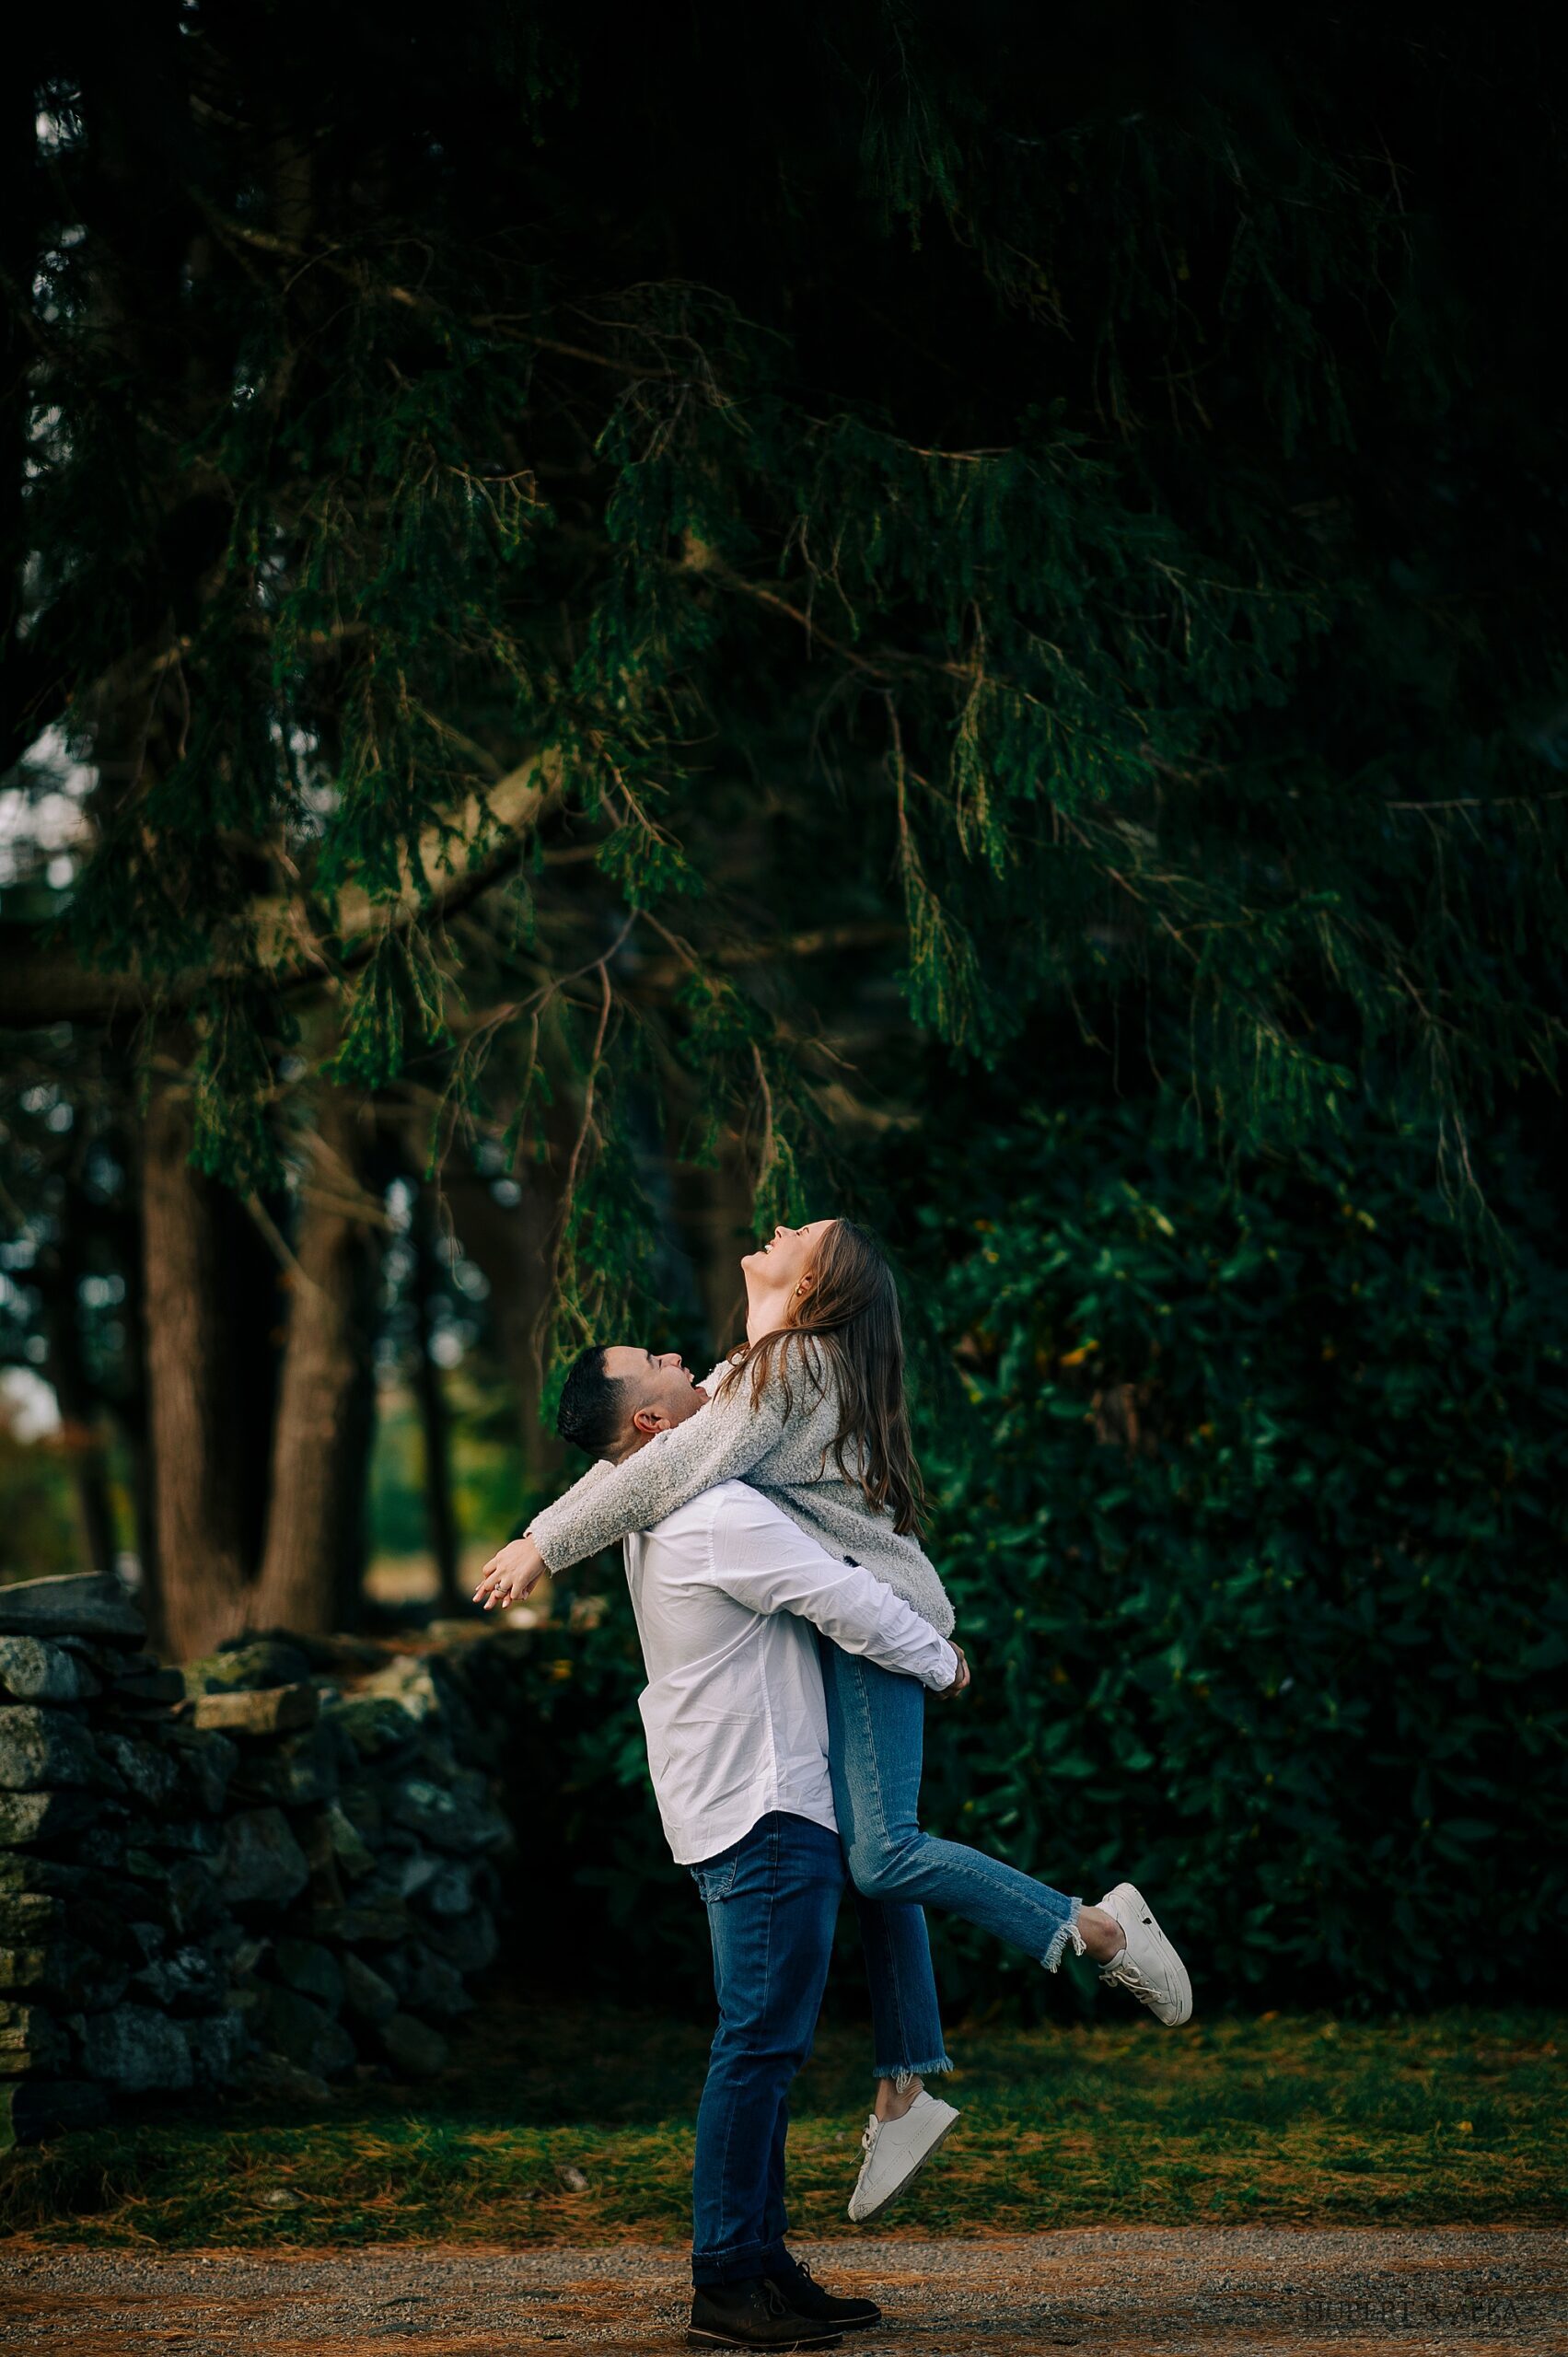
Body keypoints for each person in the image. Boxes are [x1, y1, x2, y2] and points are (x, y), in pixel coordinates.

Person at [475, 1219, 1191, 2220]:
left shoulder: (795, 1364)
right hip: (849, 1632)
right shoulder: (748, 1372)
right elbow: (635, 1460)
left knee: (884, 1856)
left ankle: (1099, 1928)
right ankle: (902, 2082)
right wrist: (541, 1534)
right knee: (872, 1852)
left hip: (877, 1625)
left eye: (798, 1231)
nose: (775, 1224)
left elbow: (659, 1467)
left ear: (813, 1282)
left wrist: (543, 1545)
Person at [562, 1347, 963, 2349]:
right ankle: (725, 2281)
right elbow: (844, 1598)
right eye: (652, 1364)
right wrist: (942, 1662)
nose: (675, 1356)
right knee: (756, 2048)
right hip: (766, 1809)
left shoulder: (653, 1498)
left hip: (737, 1803)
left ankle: (762, 2264)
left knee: (762, 2048)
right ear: (651, 1426)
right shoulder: (711, 1515)